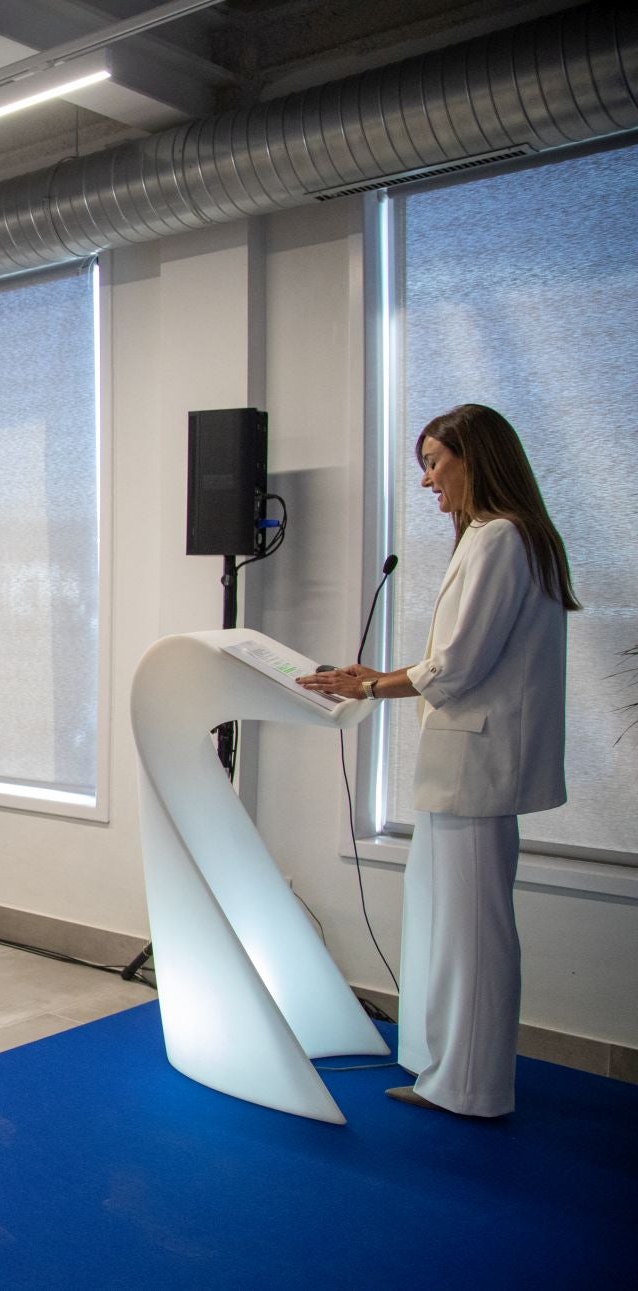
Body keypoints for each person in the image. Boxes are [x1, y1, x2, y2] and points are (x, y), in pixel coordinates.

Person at [297, 404, 577, 1119]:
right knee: (459, 926)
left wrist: (369, 681)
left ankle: (471, 1088)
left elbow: (454, 667)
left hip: (475, 770)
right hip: (477, 768)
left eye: (433, 462)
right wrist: (377, 676)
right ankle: (448, 1069)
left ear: (473, 457)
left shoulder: (497, 538)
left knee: (473, 935)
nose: (427, 480)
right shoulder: (518, 538)